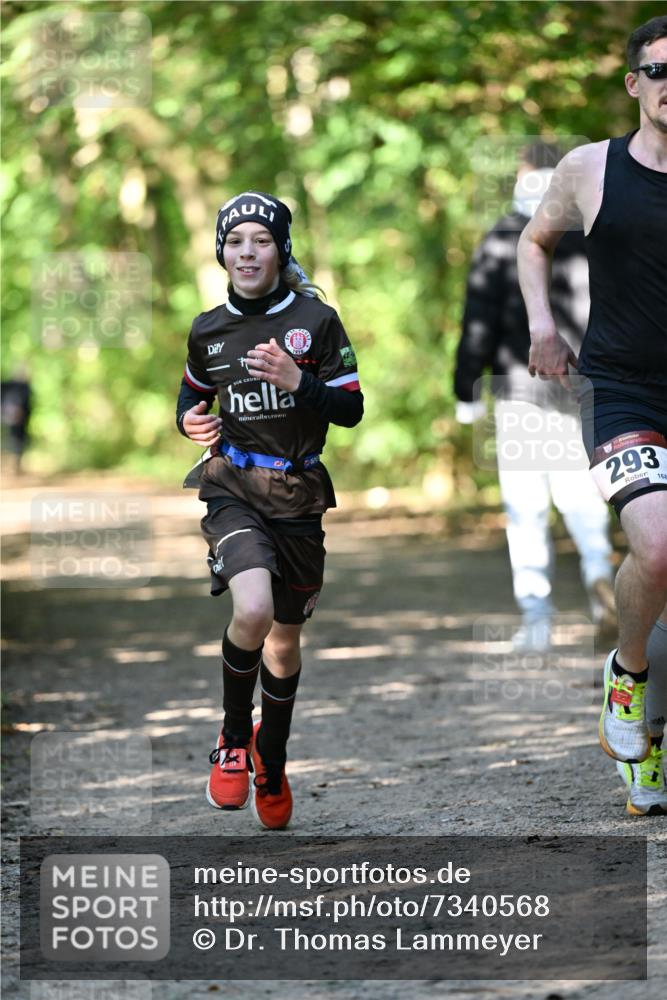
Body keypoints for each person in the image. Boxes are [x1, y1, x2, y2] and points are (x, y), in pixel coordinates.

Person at [518, 16, 667, 814]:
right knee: (657, 542)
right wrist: (543, 325)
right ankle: (628, 675)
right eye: (658, 70)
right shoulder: (590, 168)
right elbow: (534, 242)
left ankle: (652, 743)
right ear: (633, 83)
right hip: (620, 389)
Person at [176, 191, 363, 828]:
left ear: (281, 250)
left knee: (283, 643)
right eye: (235, 242)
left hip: (299, 497)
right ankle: (232, 740)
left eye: (260, 241)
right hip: (233, 487)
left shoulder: (317, 320)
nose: (247, 252)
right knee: (250, 609)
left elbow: (350, 409)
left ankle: (271, 760)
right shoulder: (208, 328)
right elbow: (191, 398)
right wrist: (190, 422)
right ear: (222, 253)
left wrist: (297, 381)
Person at [455, 142, 616, 652]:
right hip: (581, 384)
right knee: (583, 500)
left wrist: (466, 387)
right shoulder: (590, 229)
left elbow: (478, 317)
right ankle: (599, 584)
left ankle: (538, 621)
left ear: (521, 175)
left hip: (520, 388)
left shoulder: (503, 237)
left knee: (526, 509)